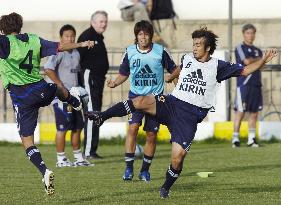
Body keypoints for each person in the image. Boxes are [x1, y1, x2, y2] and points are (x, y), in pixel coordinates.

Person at [85, 27, 277, 198]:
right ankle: (102, 116)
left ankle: (165, 188)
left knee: (177, 157)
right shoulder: (187, 58)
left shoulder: (218, 66)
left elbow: (244, 71)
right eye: (194, 44)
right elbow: (180, 69)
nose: (195, 48)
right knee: (141, 101)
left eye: (199, 45)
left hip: (190, 116)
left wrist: (263, 60)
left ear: (208, 48)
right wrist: (172, 77)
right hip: (172, 103)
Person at [0, 12, 94, 195]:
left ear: (3, 29)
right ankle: (74, 101)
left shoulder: (4, 42)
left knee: (27, 141)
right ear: (20, 26)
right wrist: (82, 44)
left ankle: (44, 170)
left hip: (22, 98)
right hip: (40, 89)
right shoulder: (34, 40)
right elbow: (60, 46)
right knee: (57, 88)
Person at [107, 20, 177, 181]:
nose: (143, 37)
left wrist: (178, 89)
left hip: (156, 100)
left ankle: (145, 170)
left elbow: (174, 70)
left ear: (151, 36)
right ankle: (128, 168)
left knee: (152, 135)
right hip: (136, 98)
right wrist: (115, 82)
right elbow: (124, 73)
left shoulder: (160, 51)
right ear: (136, 36)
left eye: (146, 34)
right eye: (140, 34)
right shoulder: (130, 51)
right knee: (133, 128)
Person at [44, 24, 93, 167]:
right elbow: (48, 69)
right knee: (63, 127)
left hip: (75, 97)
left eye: (72, 36)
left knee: (78, 126)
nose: (70, 38)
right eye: (67, 36)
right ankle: (61, 159)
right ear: (61, 38)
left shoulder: (76, 53)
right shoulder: (58, 52)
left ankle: (78, 158)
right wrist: (61, 87)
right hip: (61, 97)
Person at [77, 11, 109, 159]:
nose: (104, 24)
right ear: (93, 22)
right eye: (101, 21)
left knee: (96, 112)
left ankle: (92, 150)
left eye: (105, 21)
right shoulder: (87, 36)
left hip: (98, 79)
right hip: (90, 78)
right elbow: (79, 58)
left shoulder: (98, 37)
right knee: (91, 112)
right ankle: (88, 151)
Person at [232, 24, 263, 148]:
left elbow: (263, 65)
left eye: (252, 33)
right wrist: (259, 60)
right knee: (240, 111)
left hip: (256, 84)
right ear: (244, 34)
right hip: (243, 84)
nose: (251, 35)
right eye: (248, 33)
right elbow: (246, 62)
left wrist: (257, 60)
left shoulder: (258, 50)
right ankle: (235, 139)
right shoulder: (240, 47)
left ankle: (251, 139)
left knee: (254, 113)